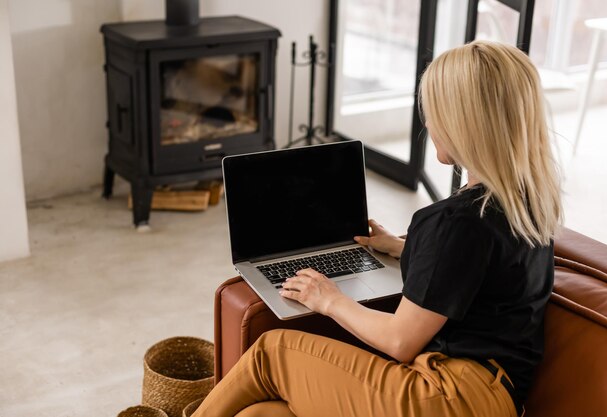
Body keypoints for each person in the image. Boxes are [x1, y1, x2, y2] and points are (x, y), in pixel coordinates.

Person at [193, 40, 562, 417]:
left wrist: (329, 299)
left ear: (462, 123)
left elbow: (400, 340)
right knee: (260, 415)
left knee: (270, 353)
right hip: (495, 401)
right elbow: (484, 272)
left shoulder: (456, 221)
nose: (428, 123)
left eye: (434, 112)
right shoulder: (528, 205)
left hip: (448, 398)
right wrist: (409, 249)